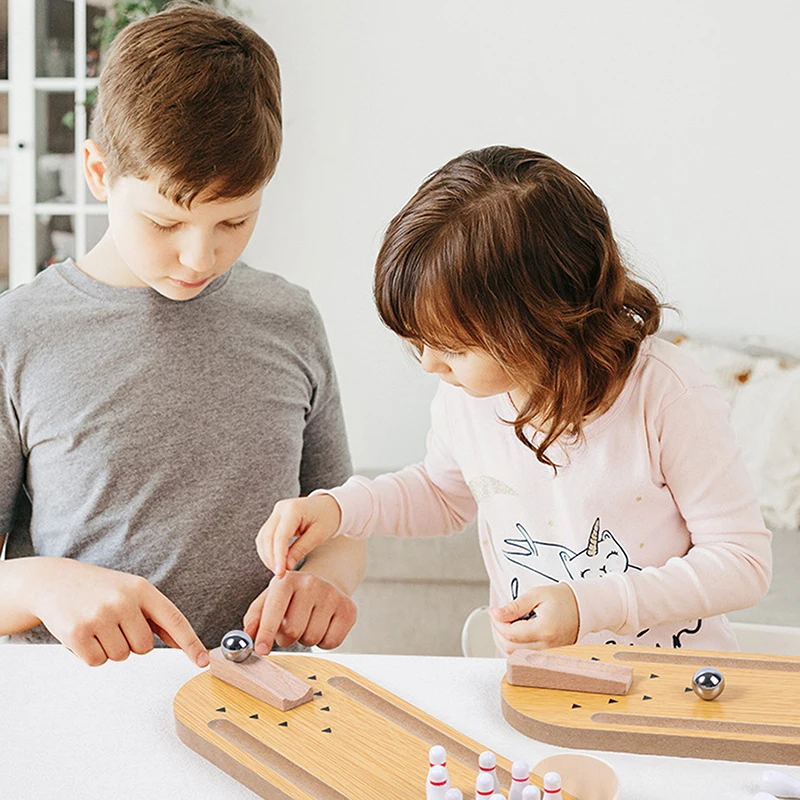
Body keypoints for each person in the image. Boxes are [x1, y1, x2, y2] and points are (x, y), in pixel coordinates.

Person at [257, 146, 772, 653]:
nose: (430, 365)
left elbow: (742, 561)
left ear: (540, 323)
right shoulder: (469, 396)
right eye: (418, 342)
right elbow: (441, 494)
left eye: (454, 348)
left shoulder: (667, 395)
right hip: (538, 684)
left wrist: (589, 605)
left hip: (667, 693)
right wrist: (337, 508)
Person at [0, 3, 365, 667]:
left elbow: (340, 521)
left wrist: (327, 582)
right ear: (98, 171)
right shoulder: (17, 334)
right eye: (166, 224)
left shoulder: (289, 319)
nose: (200, 258)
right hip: (76, 713)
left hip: (257, 700)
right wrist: (41, 582)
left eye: (234, 222)